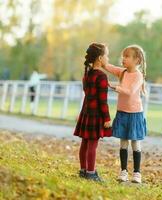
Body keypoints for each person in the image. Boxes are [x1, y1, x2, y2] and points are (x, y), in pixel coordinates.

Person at [103, 44, 147, 184]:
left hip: (134, 114)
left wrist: (113, 86)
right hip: (122, 112)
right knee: (123, 143)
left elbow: (129, 91)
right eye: (123, 56)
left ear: (137, 60)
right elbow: (109, 67)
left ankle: (137, 173)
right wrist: (103, 63)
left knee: (135, 143)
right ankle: (123, 171)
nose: (123, 59)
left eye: (127, 56)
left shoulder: (138, 76)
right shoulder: (122, 72)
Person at [73, 43, 112, 182]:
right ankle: (91, 173)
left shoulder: (87, 74)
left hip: (86, 112)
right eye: (107, 55)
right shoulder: (101, 76)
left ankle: (83, 170)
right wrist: (107, 118)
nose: (108, 58)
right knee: (92, 145)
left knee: (85, 142)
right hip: (95, 114)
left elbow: (88, 94)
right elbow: (103, 101)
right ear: (100, 58)